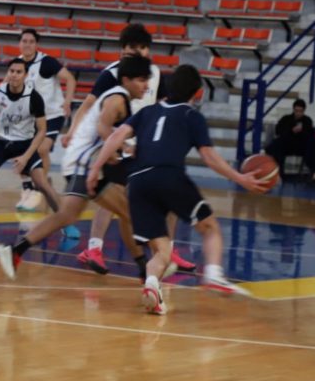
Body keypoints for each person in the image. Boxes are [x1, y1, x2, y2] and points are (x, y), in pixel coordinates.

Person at [85, 65, 270, 315]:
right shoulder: (191, 116)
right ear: (198, 93)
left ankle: (152, 284)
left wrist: (95, 168)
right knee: (210, 228)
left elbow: (116, 136)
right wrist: (240, 178)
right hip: (169, 176)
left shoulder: (148, 111)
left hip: (137, 182)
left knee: (162, 250)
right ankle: (214, 275)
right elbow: (209, 156)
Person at [0, 56, 153, 282]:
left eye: (147, 80)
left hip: (80, 160)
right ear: (126, 80)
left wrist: (122, 147)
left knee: (67, 215)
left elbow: (106, 131)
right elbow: (103, 128)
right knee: (128, 212)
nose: (146, 85)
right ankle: (148, 268)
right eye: (141, 80)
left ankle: (15, 251)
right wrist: (120, 148)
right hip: (85, 162)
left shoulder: (120, 97)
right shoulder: (117, 99)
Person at [60, 23, 194, 275]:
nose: (138, 51)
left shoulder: (154, 74)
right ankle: (95, 247)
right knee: (113, 197)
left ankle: (168, 250)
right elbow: (88, 105)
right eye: (133, 47)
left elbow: (164, 105)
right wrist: (72, 131)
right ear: (123, 49)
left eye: (142, 47)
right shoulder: (112, 74)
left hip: (144, 143)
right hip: (117, 142)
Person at [0, 58, 64, 220]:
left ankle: (65, 221)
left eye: (19, 72)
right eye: (12, 71)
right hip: (0, 144)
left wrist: (26, 157)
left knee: (42, 184)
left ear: (26, 75)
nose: (14, 75)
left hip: (25, 145)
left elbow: (42, 130)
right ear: (8, 73)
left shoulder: (34, 97)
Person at [15, 28, 76, 211]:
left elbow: (70, 79)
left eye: (31, 41)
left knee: (42, 149)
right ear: (20, 43)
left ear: (36, 44)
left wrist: (67, 101)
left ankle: (37, 190)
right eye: (24, 41)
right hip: (29, 118)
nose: (27, 45)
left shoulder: (46, 62)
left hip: (52, 115)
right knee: (18, 151)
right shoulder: (17, 64)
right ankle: (27, 187)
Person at [264, 98, 315, 180]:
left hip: (301, 145)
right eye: (296, 111)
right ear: (293, 109)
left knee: (312, 146)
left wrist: (301, 131)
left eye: (300, 111)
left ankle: (314, 173)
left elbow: (309, 134)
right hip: (287, 144)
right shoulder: (286, 119)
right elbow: (278, 131)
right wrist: (291, 130)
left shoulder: (307, 120)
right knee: (277, 146)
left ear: (304, 111)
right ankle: (279, 174)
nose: (298, 113)